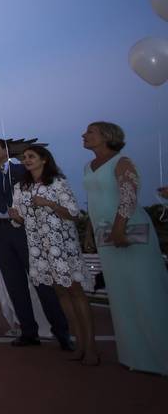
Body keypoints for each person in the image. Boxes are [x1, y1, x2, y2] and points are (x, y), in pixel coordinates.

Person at [0, 139, 71, 349]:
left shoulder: (20, 170)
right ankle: (28, 331)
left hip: (24, 230)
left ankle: (61, 330)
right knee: (14, 283)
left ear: (4, 151)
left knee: (41, 280)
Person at [82, 122, 168, 375]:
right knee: (121, 294)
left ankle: (160, 355)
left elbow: (128, 195)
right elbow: (93, 202)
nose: (84, 135)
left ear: (107, 136)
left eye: (91, 132)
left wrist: (119, 227)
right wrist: (90, 231)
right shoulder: (88, 166)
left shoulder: (122, 162)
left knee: (146, 290)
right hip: (105, 235)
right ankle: (136, 354)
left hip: (129, 232)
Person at [9, 145, 98, 365]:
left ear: (44, 160)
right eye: (25, 157)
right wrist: (15, 215)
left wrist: (49, 203)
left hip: (62, 244)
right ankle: (78, 343)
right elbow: (20, 219)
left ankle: (91, 346)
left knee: (75, 291)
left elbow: (73, 213)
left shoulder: (57, 182)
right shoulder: (21, 187)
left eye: (32, 157)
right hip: (39, 247)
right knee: (60, 293)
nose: (27, 160)